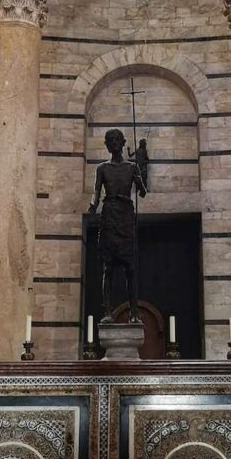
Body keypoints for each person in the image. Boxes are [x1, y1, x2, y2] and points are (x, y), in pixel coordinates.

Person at [88, 129, 148, 323]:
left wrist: (139, 183)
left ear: (123, 143)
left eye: (116, 139)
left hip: (125, 214)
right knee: (108, 267)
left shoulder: (132, 167)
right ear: (106, 145)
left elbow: (143, 193)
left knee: (130, 267)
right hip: (109, 213)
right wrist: (92, 207)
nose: (114, 143)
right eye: (110, 140)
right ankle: (107, 312)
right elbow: (96, 191)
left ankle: (134, 312)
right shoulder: (102, 168)